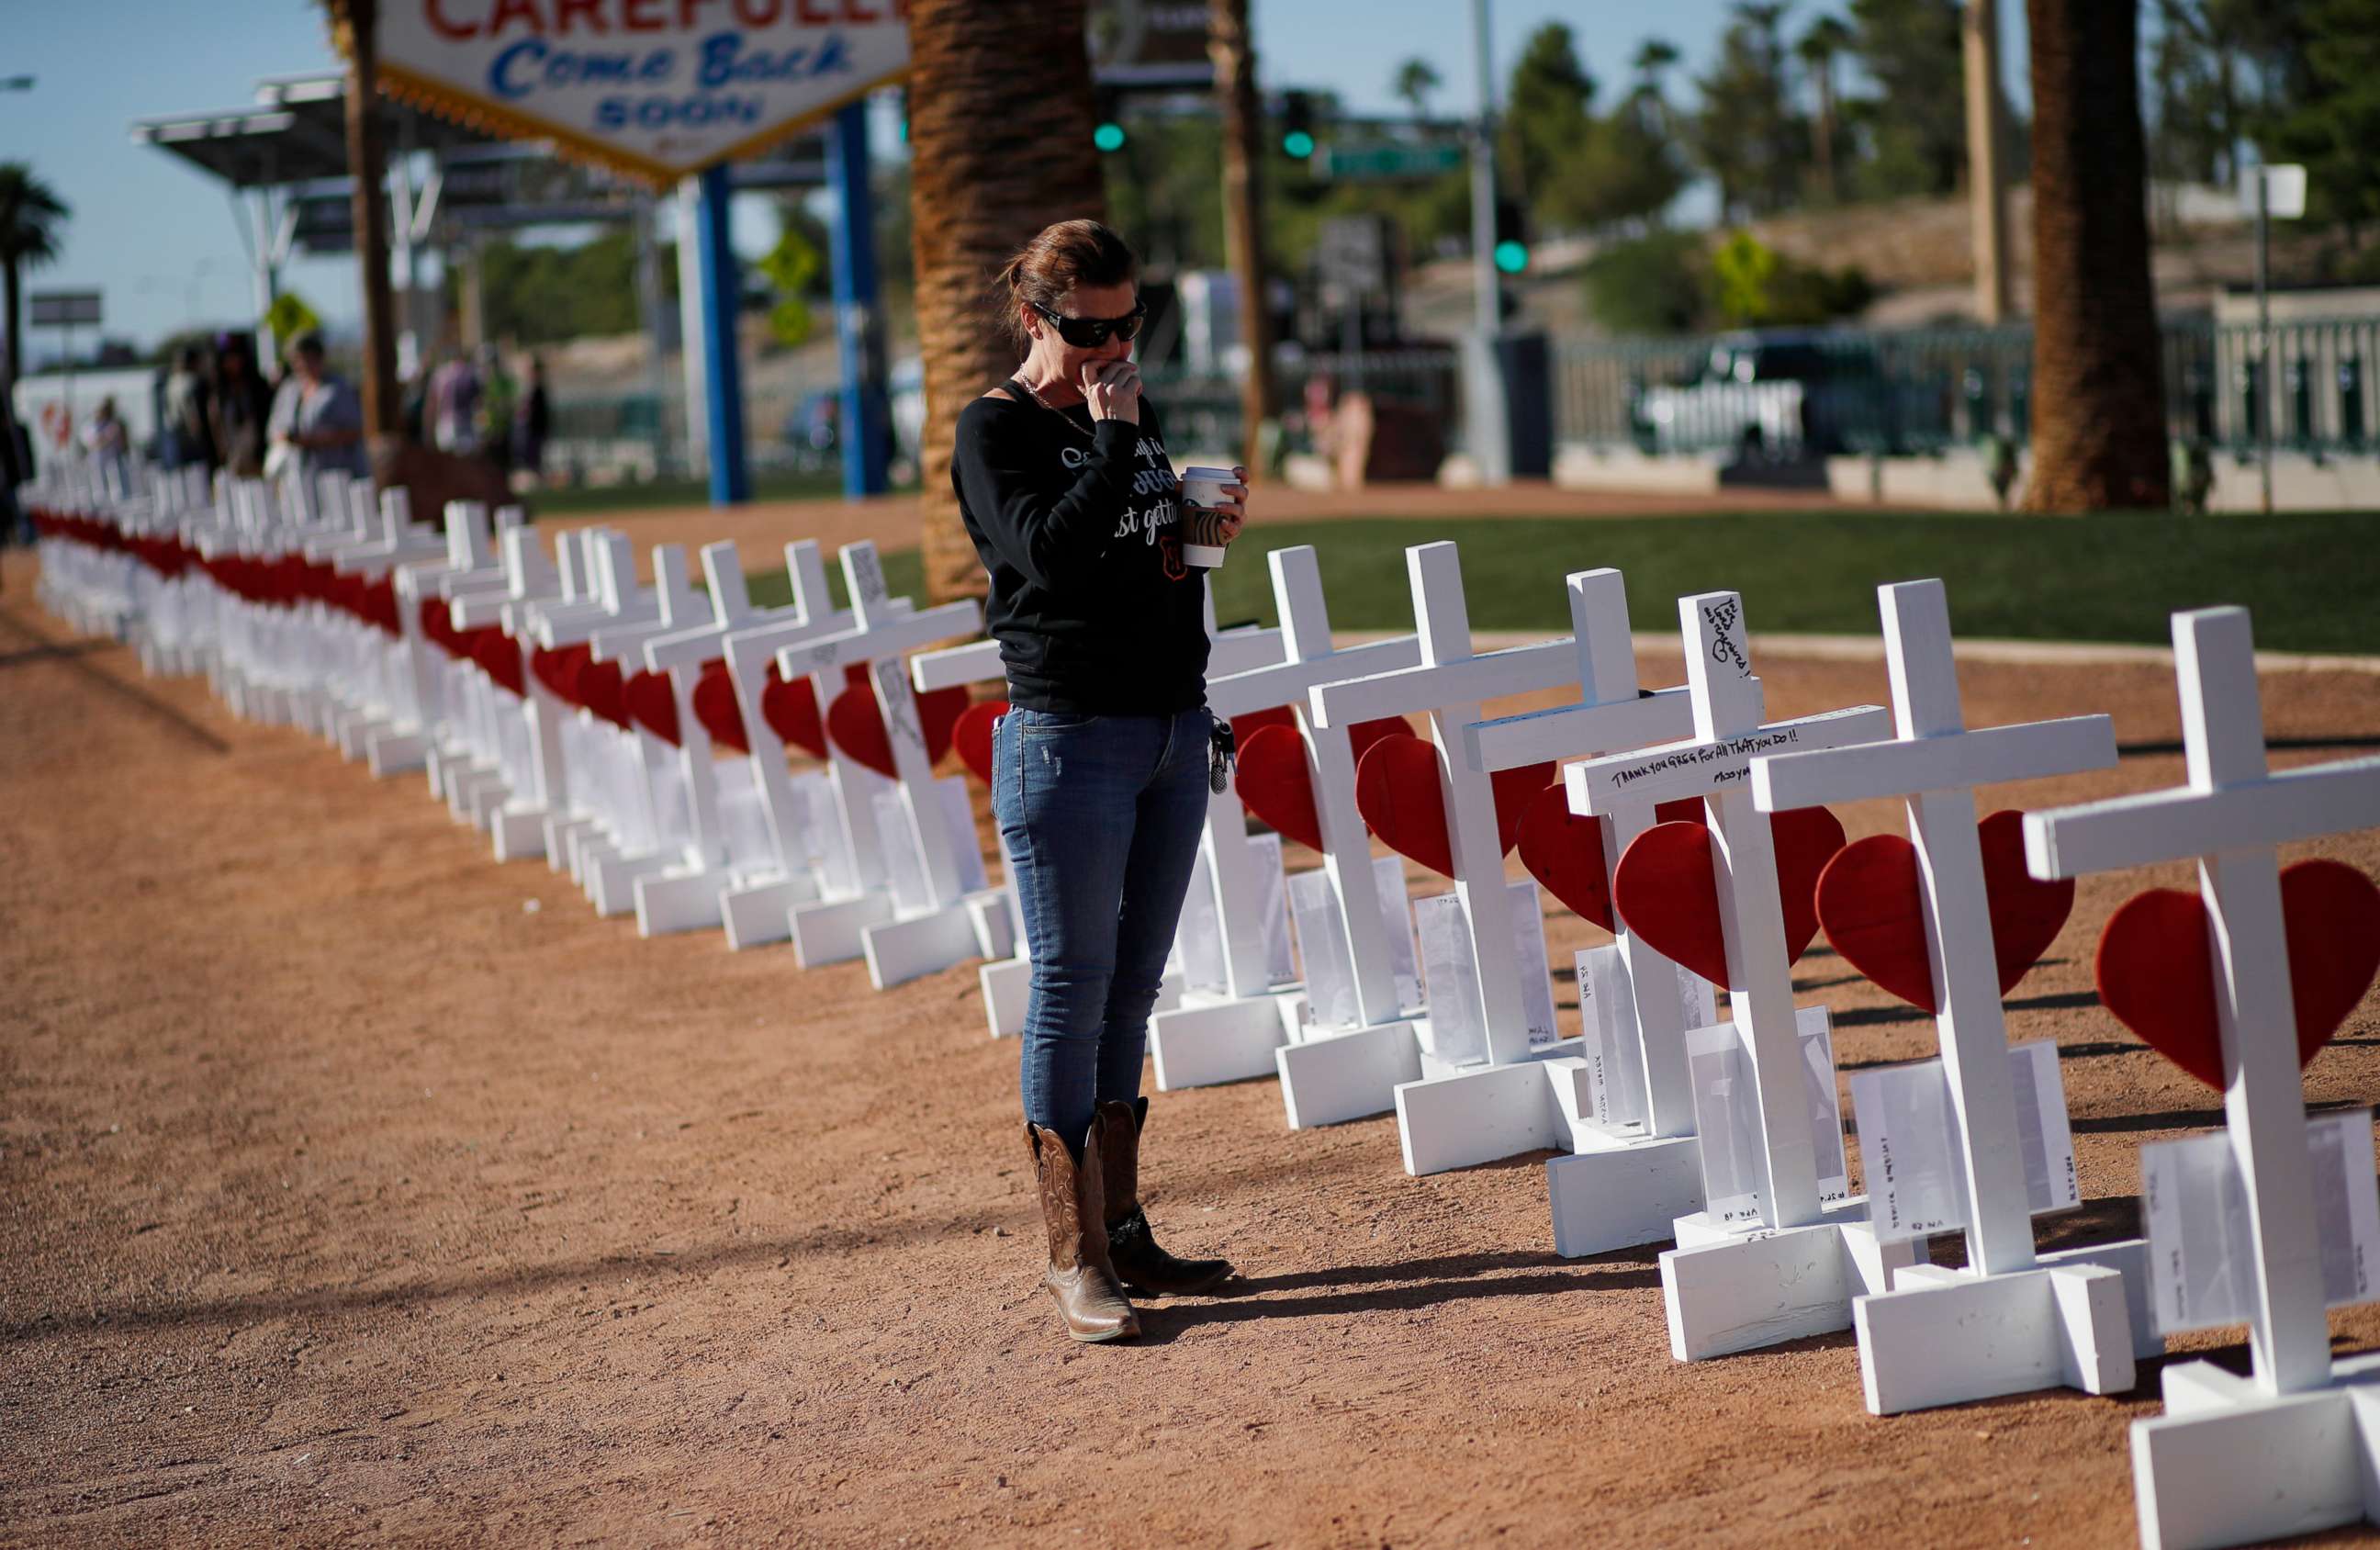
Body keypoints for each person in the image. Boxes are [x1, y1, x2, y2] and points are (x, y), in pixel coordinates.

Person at [952, 219, 1251, 1344]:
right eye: (1091, 327)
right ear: (1036, 319)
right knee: (1072, 990)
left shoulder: (1126, 413)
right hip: (1068, 734)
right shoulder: (997, 429)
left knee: (1136, 987)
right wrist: (1120, 439)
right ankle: (1070, 1252)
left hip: (1171, 727)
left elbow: (1146, 563)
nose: (1116, 343)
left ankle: (1123, 1225)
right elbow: (1053, 557)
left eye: (1133, 321)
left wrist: (1198, 528)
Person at [266, 334, 368, 483]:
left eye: (305, 359)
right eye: (295, 360)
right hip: (298, 474)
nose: (300, 365)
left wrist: (312, 440)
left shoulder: (338, 389)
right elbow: (273, 429)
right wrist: (286, 437)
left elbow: (354, 430)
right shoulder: (289, 390)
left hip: (336, 472)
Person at [208, 334, 274, 478]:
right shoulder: (219, 393)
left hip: (259, 458)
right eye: (228, 358)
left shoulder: (258, 388)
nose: (233, 362)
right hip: (232, 458)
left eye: (236, 357)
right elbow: (216, 428)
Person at [162, 346, 215, 471]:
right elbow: (192, 414)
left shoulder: (172, 382)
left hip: (174, 436)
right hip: (190, 438)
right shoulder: (192, 382)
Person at [508, 353, 549, 483]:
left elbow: (532, 411)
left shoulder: (538, 389)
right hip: (529, 429)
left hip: (535, 429)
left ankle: (536, 480)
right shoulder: (530, 388)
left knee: (534, 458)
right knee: (527, 457)